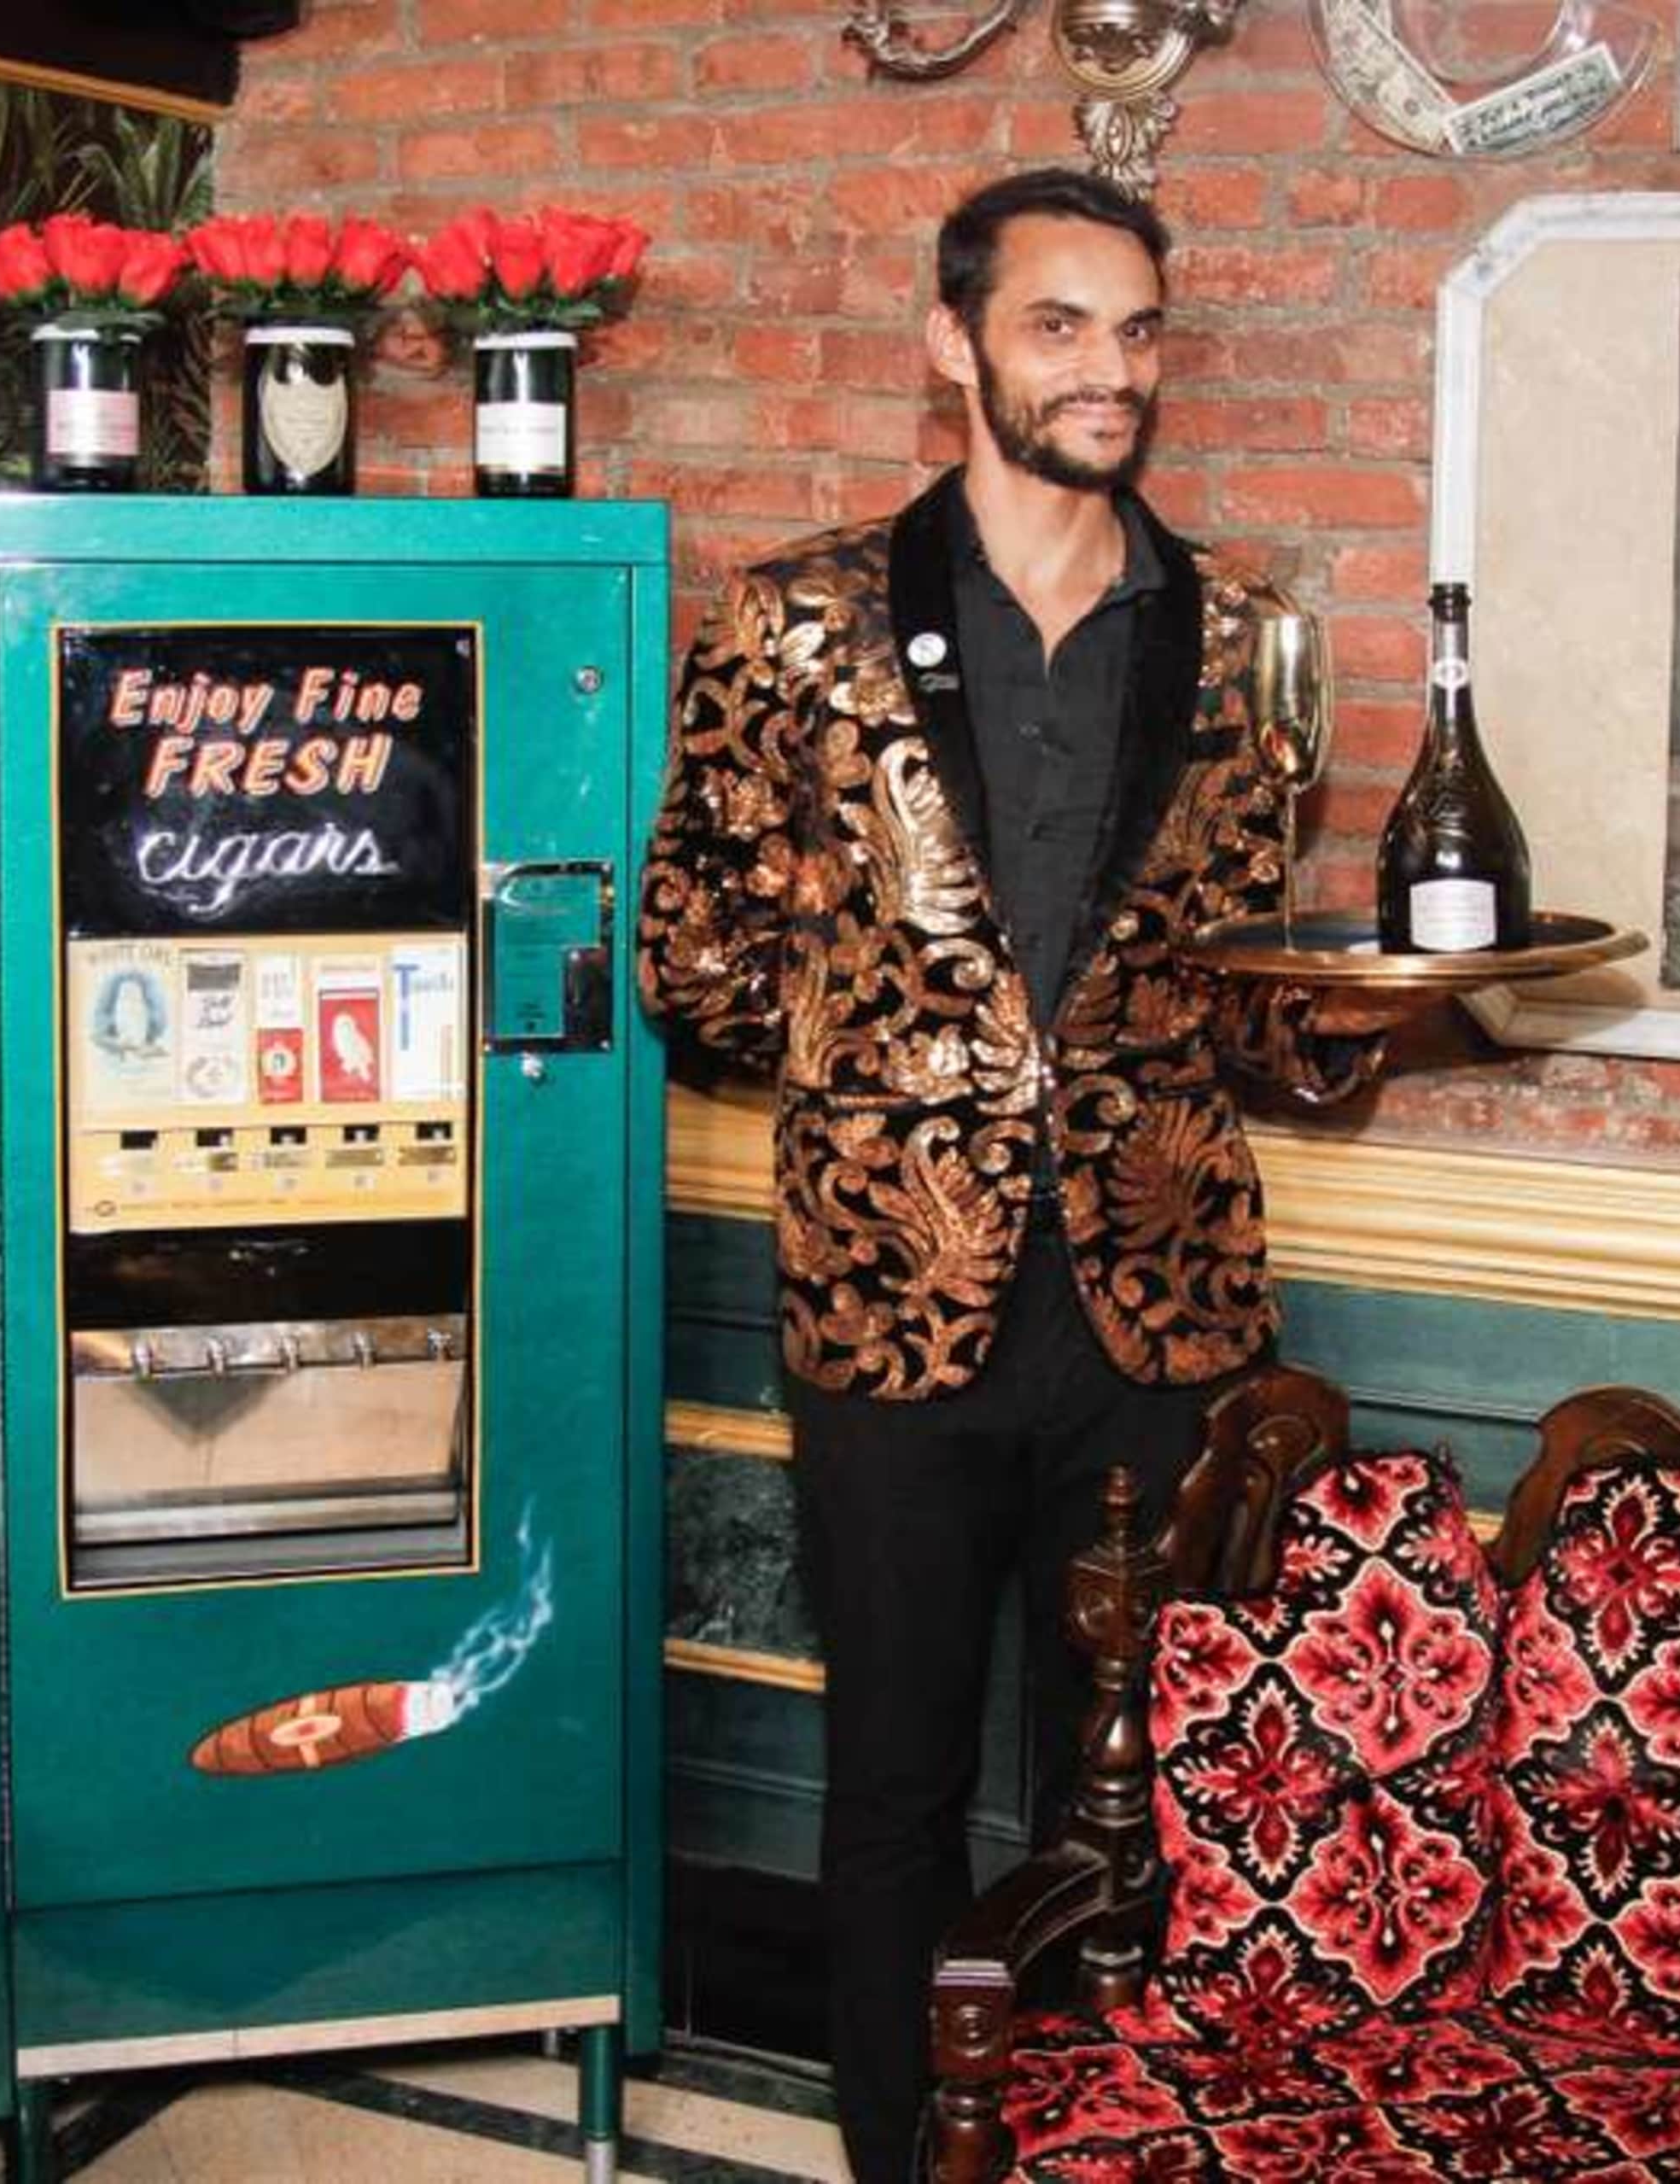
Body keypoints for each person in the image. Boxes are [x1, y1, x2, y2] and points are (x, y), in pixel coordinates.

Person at [635, 167, 1393, 2181]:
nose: (1110, 371)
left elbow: (1244, 987)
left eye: (1139, 331)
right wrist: (900, 1060)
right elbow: (687, 953)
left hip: (1162, 1308)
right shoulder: (793, 620)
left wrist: (1387, 1020)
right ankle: (907, 2159)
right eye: (1062, 326)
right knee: (894, 1782)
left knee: (1131, 1793)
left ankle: (1096, 2146)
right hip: (893, 1296)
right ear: (952, 344)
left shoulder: (1248, 636)